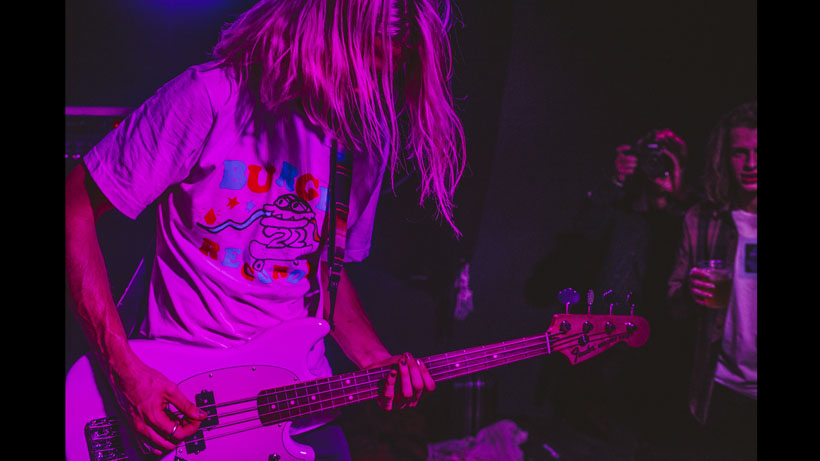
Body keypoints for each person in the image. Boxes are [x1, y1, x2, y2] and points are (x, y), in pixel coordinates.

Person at [65, 1, 466, 459]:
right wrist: (125, 371)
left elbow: (322, 271)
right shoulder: (210, 96)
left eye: (384, 75)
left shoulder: (361, 145)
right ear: (322, 34)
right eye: (361, 68)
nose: (367, 91)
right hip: (185, 398)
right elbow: (74, 207)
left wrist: (375, 359)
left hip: (300, 406)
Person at [532, 128, 695, 452]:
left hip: (661, 348)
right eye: (651, 157)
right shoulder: (619, 209)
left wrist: (677, 194)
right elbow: (583, 232)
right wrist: (615, 180)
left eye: (666, 160)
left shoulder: (691, 216)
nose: (657, 166)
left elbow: (690, 253)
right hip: (607, 343)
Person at [667, 101, 757, 460]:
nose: (750, 164)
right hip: (719, 389)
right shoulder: (702, 220)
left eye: (758, 152)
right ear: (724, 157)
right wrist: (690, 294)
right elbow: (672, 306)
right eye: (739, 153)